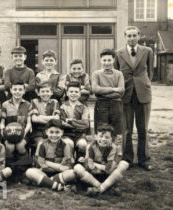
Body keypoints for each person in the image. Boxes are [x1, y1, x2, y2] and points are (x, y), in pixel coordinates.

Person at [114, 26, 153, 170]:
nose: (131, 38)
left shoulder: (147, 51)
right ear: (125, 37)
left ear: (139, 36)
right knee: (127, 129)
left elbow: (150, 72)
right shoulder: (118, 53)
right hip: (126, 95)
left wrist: (144, 84)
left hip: (143, 94)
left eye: (134, 35)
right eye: (128, 36)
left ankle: (143, 159)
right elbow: (117, 74)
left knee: (143, 128)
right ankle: (127, 159)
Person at [73, 123, 129, 196]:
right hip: (92, 176)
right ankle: (103, 188)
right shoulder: (90, 147)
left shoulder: (113, 148)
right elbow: (88, 167)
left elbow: (109, 169)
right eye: (101, 136)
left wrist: (95, 164)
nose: (103, 139)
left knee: (124, 163)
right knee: (77, 167)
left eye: (107, 137)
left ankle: (100, 188)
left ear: (111, 139)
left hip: (107, 176)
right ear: (96, 137)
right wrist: (100, 166)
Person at [25, 119, 75, 191]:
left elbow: (67, 167)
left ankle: (47, 182)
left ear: (62, 133)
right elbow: (41, 164)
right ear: (46, 132)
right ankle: (58, 186)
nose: (54, 135)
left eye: (57, 132)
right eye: (51, 132)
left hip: (59, 174)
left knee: (72, 173)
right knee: (29, 172)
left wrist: (48, 163)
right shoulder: (42, 144)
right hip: (44, 173)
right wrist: (59, 166)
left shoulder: (66, 145)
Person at [92, 49, 124, 142]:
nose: (107, 63)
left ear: (113, 60)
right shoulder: (96, 74)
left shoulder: (119, 74)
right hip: (101, 104)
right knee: (101, 129)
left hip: (116, 104)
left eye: (109, 60)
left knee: (115, 130)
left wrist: (103, 91)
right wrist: (113, 89)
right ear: (100, 60)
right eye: (104, 60)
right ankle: (100, 151)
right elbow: (95, 89)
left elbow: (121, 90)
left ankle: (113, 151)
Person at [60, 82, 90, 162]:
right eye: (71, 91)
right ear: (67, 93)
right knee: (69, 143)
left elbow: (86, 124)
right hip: (67, 134)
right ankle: (70, 161)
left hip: (80, 134)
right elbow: (62, 124)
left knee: (82, 144)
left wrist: (70, 121)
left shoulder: (84, 107)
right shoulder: (62, 107)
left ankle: (80, 161)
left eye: (76, 92)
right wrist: (78, 123)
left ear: (80, 93)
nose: (73, 94)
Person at [30, 82, 60, 155]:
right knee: (40, 144)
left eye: (47, 91)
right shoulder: (34, 102)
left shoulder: (55, 102)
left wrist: (40, 116)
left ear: (51, 92)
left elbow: (57, 118)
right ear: (38, 93)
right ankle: (38, 163)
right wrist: (51, 119)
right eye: (42, 91)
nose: (45, 94)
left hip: (52, 131)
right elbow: (34, 119)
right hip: (38, 131)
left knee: (55, 145)